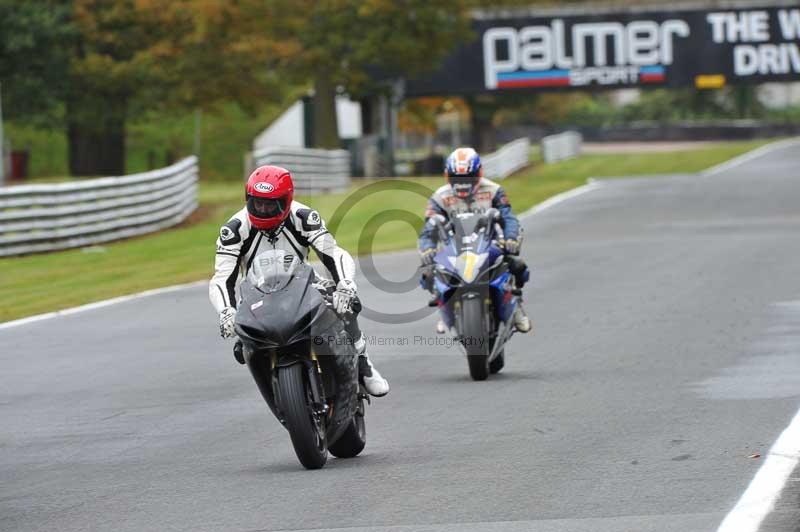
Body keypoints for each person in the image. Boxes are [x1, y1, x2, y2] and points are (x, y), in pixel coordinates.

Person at [209, 165, 389, 397]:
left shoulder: (304, 217)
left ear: (286, 201)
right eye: (257, 203)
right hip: (256, 295)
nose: (263, 210)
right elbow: (222, 278)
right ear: (248, 199)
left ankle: (363, 362)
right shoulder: (234, 230)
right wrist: (226, 311)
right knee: (242, 348)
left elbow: (332, 253)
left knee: (347, 306)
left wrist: (345, 285)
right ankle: (275, 388)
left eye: (270, 204)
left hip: (301, 285)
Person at [418, 147, 531, 334]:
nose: (462, 184)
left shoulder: (494, 190)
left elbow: (509, 217)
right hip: (453, 249)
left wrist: (511, 239)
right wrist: (427, 249)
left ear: (479, 173)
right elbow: (428, 227)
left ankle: (516, 305)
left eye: (467, 178)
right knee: (428, 275)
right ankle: (444, 308)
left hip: (490, 244)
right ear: (448, 176)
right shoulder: (439, 197)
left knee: (517, 266)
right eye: (457, 178)